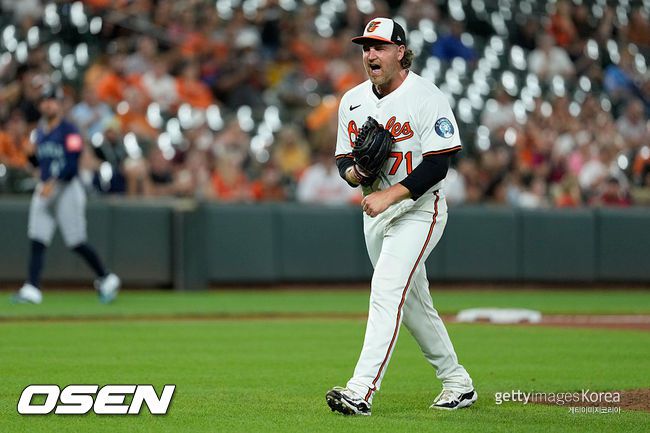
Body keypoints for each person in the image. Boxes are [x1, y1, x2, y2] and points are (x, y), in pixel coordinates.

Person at [327, 18, 476, 416]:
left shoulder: (426, 96)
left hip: (419, 209)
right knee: (413, 305)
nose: (370, 54)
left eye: (379, 46)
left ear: (400, 51)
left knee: (386, 290)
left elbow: (439, 164)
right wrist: (356, 173)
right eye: (365, 47)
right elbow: (343, 161)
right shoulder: (352, 100)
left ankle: (360, 390)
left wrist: (390, 195)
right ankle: (457, 381)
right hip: (375, 213)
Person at [12, 86, 120, 304]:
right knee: (37, 237)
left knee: (76, 241)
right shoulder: (38, 132)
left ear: (60, 105)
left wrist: (53, 181)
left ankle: (106, 277)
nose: (48, 104)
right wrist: (30, 156)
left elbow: (72, 164)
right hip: (46, 188)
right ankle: (32, 287)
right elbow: (38, 163)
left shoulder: (70, 131)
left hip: (67, 188)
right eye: (44, 101)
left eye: (52, 100)